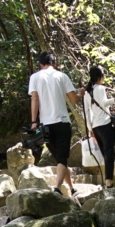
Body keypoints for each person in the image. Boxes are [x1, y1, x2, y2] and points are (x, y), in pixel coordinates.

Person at [28, 52, 79, 197]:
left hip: (46, 125)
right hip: (62, 122)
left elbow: (35, 99)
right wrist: (81, 93)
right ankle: (57, 188)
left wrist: (33, 122)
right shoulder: (62, 76)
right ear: (54, 63)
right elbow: (74, 99)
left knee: (60, 158)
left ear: (40, 64)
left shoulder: (35, 77)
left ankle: (72, 188)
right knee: (61, 158)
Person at [83, 65, 115, 187]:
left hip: (95, 127)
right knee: (109, 152)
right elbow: (104, 103)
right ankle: (108, 181)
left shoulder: (87, 93)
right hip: (104, 123)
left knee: (105, 152)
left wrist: (89, 128)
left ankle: (107, 179)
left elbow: (87, 113)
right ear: (100, 76)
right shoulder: (100, 88)